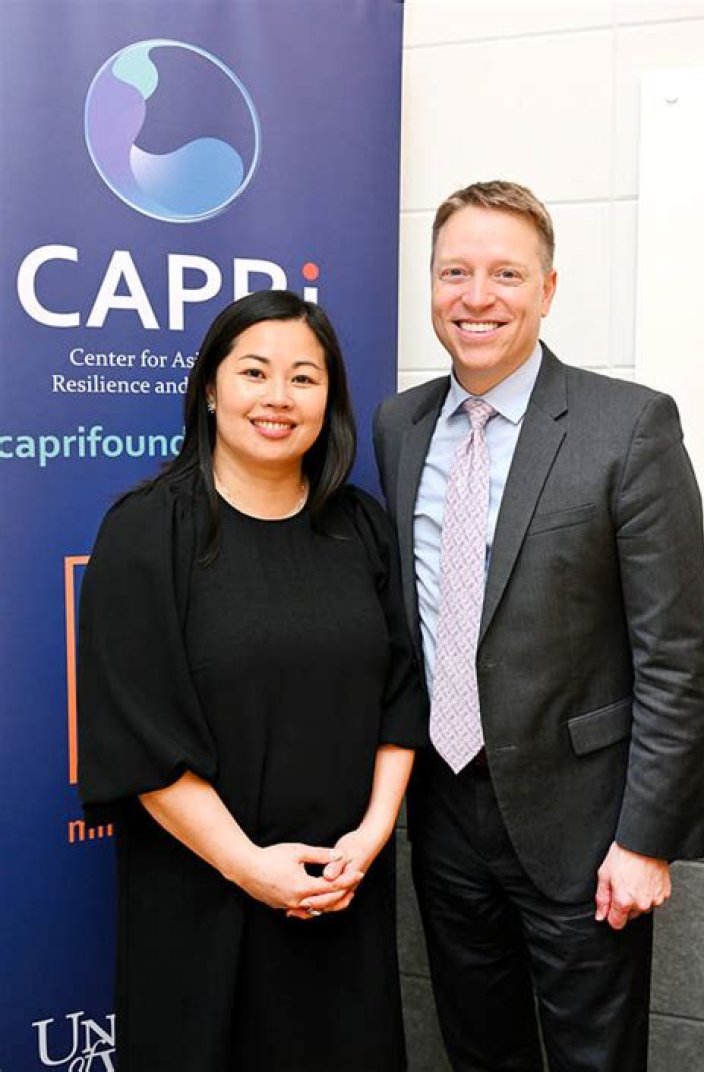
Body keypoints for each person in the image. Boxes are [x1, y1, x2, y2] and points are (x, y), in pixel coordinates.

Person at [373, 180, 704, 1072]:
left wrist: (646, 841)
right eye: (454, 272)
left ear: (548, 289)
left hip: (584, 825)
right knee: (477, 1050)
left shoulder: (628, 427)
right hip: (444, 814)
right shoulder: (399, 425)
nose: (476, 296)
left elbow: (675, 659)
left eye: (506, 273)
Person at [78, 289, 427, 1072]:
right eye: (254, 372)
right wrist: (251, 867)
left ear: (330, 399)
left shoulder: (362, 528)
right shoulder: (145, 532)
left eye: (304, 378)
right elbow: (137, 735)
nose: (279, 397)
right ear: (210, 388)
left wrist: (370, 839)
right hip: (201, 900)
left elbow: (402, 695)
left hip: (341, 894)